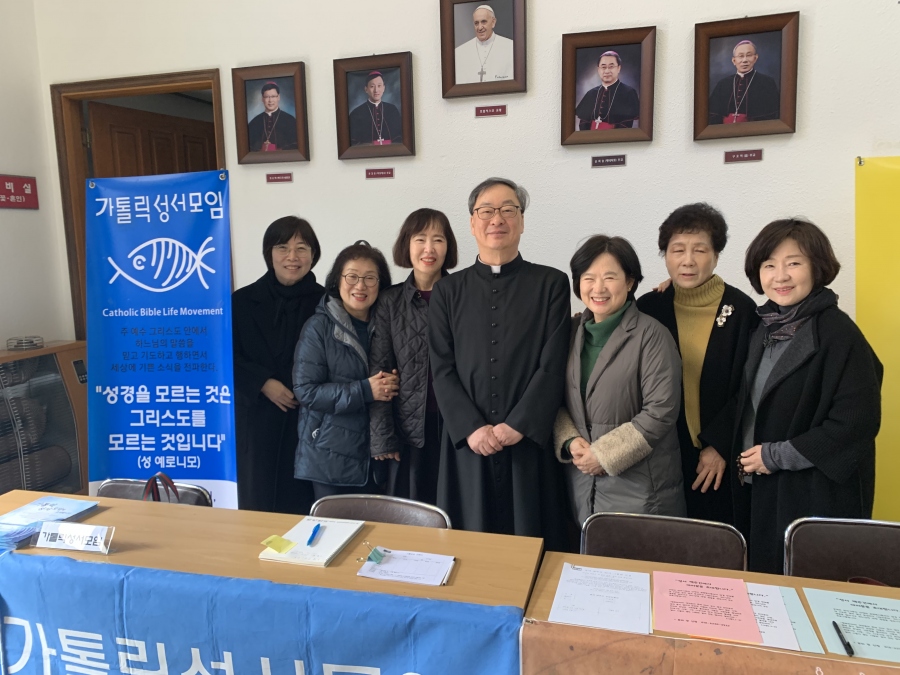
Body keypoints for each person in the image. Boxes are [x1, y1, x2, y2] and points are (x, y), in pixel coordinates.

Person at [733, 219, 882, 573]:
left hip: (814, 495)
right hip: (764, 490)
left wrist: (776, 455)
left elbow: (856, 423)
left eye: (794, 263)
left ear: (817, 267)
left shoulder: (840, 334)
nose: (780, 276)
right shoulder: (765, 327)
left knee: (808, 588)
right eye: (769, 265)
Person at [428, 177, 570, 545]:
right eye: (486, 211)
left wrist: (519, 424)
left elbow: (552, 365)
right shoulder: (446, 291)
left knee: (531, 539)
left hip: (528, 441)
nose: (497, 219)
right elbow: (441, 367)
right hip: (468, 442)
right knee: (468, 544)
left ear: (521, 221)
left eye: (508, 210)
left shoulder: (552, 284)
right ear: (472, 223)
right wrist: (472, 428)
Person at [637, 204, 758, 524]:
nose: (687, 260)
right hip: (660, 459)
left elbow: (752, 387)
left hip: (718, 460)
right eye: (677, 249)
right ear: (665, 256)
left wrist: (720, 445)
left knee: (718, 543)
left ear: (716, 255)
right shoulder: (650, 307)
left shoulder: (742, 310)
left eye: (700, 250)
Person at [553, 236, 685, 524]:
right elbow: (554, 397)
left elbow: (660, 411)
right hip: (581, 485)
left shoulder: (652, 336)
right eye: (588, 278)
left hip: (641, 492)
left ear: (630, 282)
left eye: (609, 277)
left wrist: (603, 455)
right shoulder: (570, 331)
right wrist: (569, 440)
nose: (598, 288)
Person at [292, 242, 398, 500]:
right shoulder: (318, 327)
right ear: (337, 280)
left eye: (370, 278)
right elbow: (306, 391)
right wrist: (365, 390)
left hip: (378, 458)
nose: (360, 286)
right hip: (329, 457)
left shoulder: (390, 324)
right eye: (352, 276)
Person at [232, 216, 324, 513]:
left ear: (313, 254)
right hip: (257, 420)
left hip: (308, 422)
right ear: (269, 253)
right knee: (256, 503)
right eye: (283, 247)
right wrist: (262, 382)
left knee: (303, 507)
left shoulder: (327, 302)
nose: (292, 257)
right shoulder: (241, 301)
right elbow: (225, 357)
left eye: (301, 248)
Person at [369, 209, 459, 504]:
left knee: (455, 512)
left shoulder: (464, 294)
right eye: (420, 239)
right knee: (410, 516)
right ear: (407, 245)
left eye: (438, 240)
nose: (429, 249)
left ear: (448, 247)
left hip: (457, 428)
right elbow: (379, 372)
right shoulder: (389, 301)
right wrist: (383, 437)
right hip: (407, 433)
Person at [708, 40, 780, 125]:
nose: (745, 60)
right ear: (734, 60)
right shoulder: (723, 84)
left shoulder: (767, 82)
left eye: (749, 55)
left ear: (755, 58)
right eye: (740, 56)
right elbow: (713, 114)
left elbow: (773, 115)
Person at [575, 51, 640, 130]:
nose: (607, 71)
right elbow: (583, 123)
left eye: (611, 67)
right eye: (603, 67)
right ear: (598, 69)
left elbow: (626, 125)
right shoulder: (591, 93)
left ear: (619, 68)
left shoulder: (628, 93)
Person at [454, 5, 514, 84]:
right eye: (476, 23)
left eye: (483, 22)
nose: (479, 27)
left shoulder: (510, 47)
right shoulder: (459, 52)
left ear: (493, 22)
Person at [348, 71, 402, 146]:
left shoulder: (392, 110)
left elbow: (400, 138)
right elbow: (353, 143)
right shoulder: (356, 114)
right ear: (366, 89)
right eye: (372, 86)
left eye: (379, 86)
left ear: (383, 88)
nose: (376, 90)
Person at [248, 82, 298, 151]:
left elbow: (295, 146)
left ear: (278, 97)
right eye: (267, 97)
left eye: (273, 96)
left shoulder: (290, 120)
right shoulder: (255, 122)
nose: (270, 100)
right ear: (262, 99)